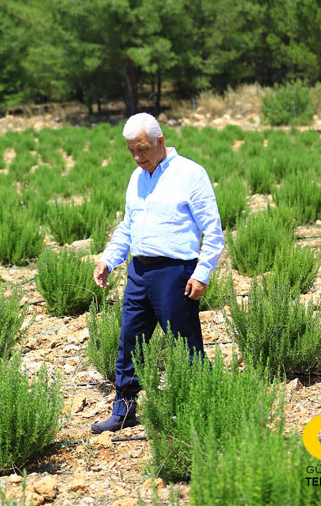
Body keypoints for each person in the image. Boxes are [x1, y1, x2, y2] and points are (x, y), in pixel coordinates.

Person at [91, 112, 225, 434]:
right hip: (139, 272)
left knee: (185, 345)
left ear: (160, 141)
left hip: (175, 273)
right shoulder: (137, 177)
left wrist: (203, 272)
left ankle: (203, 408)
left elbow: (213, 230)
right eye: (132, 152)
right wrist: (109, 258)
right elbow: (129, 225)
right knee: (129, 343)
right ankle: (124, 412)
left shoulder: (191, 174)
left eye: (143, 150)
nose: (138, 158)